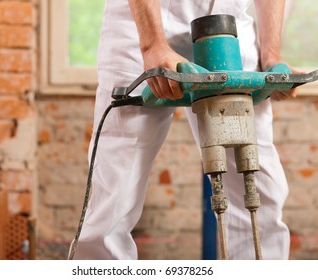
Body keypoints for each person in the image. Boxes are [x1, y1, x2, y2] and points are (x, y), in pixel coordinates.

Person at [72, 0, 297, 260]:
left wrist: (272, 53)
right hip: (149, 17)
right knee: (116, 187)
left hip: (231, 21)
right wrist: (152, 44)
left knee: (261, 190)